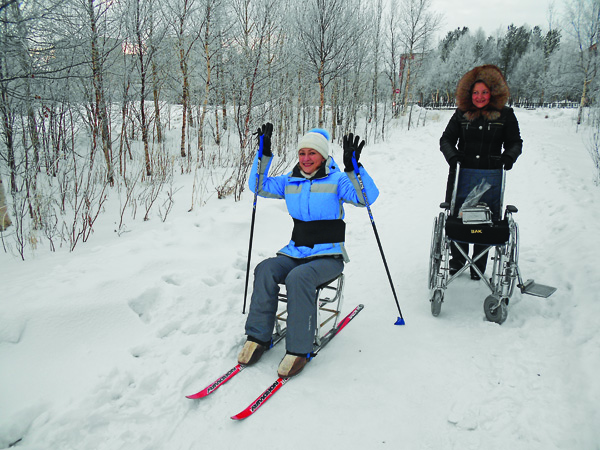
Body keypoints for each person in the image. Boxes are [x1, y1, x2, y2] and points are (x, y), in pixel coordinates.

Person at [238, 123, 379, 377]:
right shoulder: (290, 181)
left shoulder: (336, 181)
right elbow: (258, 187)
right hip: (296, 252)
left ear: (323, 155)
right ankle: (257, 337)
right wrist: (263, 155)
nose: (306, 159)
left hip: (328, 256)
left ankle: (299, 350)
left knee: (298, 278)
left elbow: (366, 197)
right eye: (302, 153)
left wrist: (353, 168)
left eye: (312, 153)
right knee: (266, 269)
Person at [439, 64, 523, 280]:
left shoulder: (505, 115)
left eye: (484, 92)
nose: (479, 96)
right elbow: (446, 139)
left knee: (485, 221)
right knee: (459, 218)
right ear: (469, 93)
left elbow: (515, 143)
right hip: (462, 175)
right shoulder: (461, 115)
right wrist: (453, 157)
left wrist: (508, 158)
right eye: (475, 92)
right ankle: (458, 262)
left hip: (491, 177)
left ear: (493, 92)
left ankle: (478, 264)